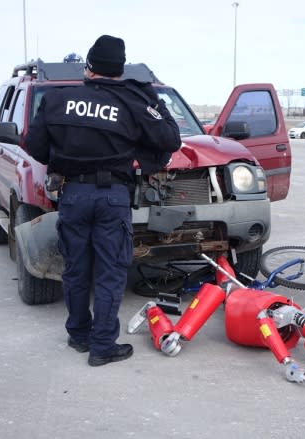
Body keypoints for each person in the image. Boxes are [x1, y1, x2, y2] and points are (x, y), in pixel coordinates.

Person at [25, 35, 182, 366]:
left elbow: (36, 147)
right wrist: (152, 97)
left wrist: (66, 155)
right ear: (120, 69)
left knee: (76, 269)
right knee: (110, 272)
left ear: (89, 66)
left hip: (73, 194)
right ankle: (102, 347)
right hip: (112, 197)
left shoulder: (57, 99)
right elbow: (169, 138)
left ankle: (79, 335)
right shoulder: (132, 102)